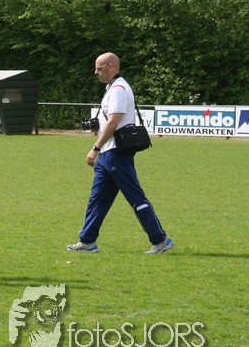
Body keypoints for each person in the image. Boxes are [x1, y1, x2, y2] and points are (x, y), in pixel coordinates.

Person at [68, 53, 174, 254]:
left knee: (136, 197)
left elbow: (114, 122)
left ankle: (160, 240)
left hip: (116, 153)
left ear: (111, 66)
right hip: (108, 154)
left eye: (99, 68)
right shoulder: (112, 88)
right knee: (97, 200)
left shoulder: (118, 89)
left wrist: (95, 148)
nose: (96, 72)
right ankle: (87, 241)